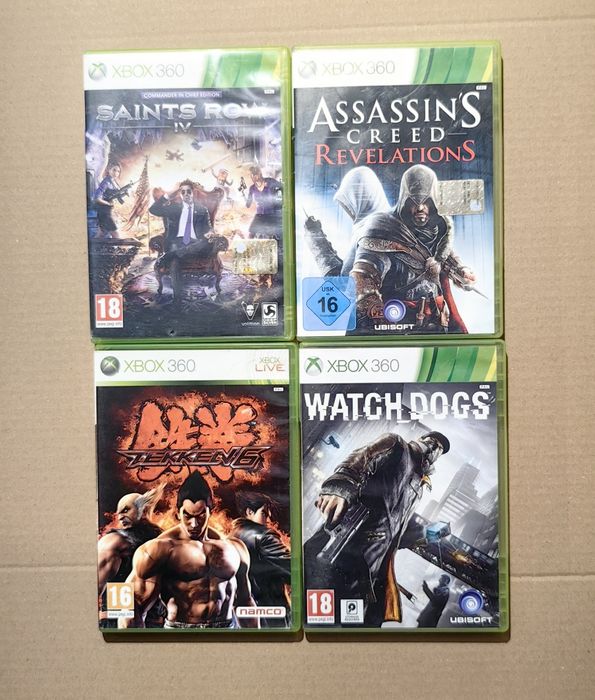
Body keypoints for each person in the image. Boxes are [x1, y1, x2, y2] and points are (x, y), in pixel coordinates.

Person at [304, 430, 450, 626]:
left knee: (346, 628)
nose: (434, 447)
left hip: (369, 573)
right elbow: (362, 459)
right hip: (343, 547)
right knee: (311, 614)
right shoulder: (397, 445)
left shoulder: (418, 488)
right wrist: (340, 487)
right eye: (432, 441)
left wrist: (430, 533)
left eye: (439, 448)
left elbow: (398, 532)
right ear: (421, 439)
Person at [120, 472, 258, 629]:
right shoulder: (158, 549)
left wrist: (257, 640)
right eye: (187, 515)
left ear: (210, 511)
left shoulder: (235, 548)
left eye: (200, 516)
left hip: (225, 628)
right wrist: (130, 642)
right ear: (178, 512)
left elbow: (245, 602)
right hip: (180, 631)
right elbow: (126, 602)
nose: (194, 524)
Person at [349, 164, 476, 333]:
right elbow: (363, 277)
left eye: (426, 202)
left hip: (437, 321)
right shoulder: (383, 227)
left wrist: (462, 272)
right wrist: (377, 317)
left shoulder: (436, 231)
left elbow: (445, 258)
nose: (420, 208)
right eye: (414, 201)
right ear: (405, 200)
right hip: (396, 324)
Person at [97, 486, 163, 628]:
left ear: (143, 510)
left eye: (126, 510)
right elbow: (96, 585)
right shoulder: (114, 541)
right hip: (118, 621)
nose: (120, 517)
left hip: (154, 622)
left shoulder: (161, 540)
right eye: (119, 512)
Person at [149, 180, 224, 299]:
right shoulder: (174, 208)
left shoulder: (202, 210)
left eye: (188, 191)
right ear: (180, 194)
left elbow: (208, 228)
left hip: (197, 243)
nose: (186, 194)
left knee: (205, 243)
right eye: (183, 192)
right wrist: (168, 196)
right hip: (177, 242)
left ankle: (170, 255)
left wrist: (210, 233)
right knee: (175, 261)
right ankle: (177, 299)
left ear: (193, 193)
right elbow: (153, 210)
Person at [231, 491, 291, 627]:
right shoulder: (264, 536)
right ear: (249, 512)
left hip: (242, 617)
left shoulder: (231, 536)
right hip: (270, 615)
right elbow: (293, 570)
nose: (268, 520)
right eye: (264, 514)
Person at [245, 166, 283, 239]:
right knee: (251, 234)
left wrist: (280, 200)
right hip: (260, 214)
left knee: (273, 235)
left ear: (259, 173)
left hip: (272, 214)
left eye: (255, 174)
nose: (253, 177)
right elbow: (248, 204)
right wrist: (243, 195)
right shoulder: (252, 188)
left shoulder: (270, 181)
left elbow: (282, 187)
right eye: (251, 175)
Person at [93, 163, 123, 238]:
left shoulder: (113, 182)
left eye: (118, 171)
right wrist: (108, 204)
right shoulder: (106, 182)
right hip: (104, 213)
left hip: (107, 211)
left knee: (101, 234)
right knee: (116, 235)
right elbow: (96, 198)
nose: (116, 173)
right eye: (114, 170)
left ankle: (93, 245)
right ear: (109, 170)